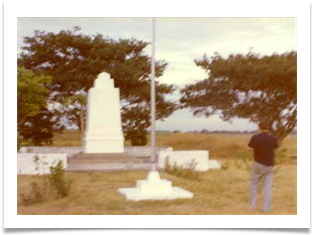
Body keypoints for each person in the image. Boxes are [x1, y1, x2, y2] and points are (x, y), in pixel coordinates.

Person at [248, 121, 279, 212]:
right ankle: (266, 209)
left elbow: (250, 146)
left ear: (259, 127)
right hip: (269, 165)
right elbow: (275, 147)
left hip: (257, 163)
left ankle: (252, 206)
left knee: (254, 185)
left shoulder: (255, 137)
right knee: (267, 187)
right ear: (268, 128)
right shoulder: (273, 138)